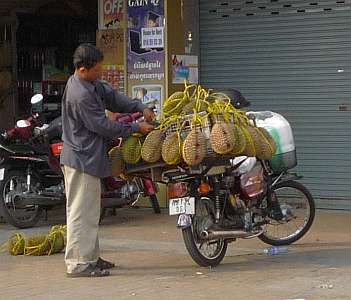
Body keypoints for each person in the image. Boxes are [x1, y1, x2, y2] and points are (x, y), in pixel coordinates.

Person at [60, 43, 155, 278]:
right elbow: (102, 125)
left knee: (91, 211)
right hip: (80, 158)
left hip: (91, 157)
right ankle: (78, 264)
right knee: (80, 212)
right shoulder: (79, 94)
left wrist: (140, 107)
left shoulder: (92, 84)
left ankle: (91, 257)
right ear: (83, 69)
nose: (100, 73)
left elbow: (113, 99)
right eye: (97, 69)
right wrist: (135, 128)